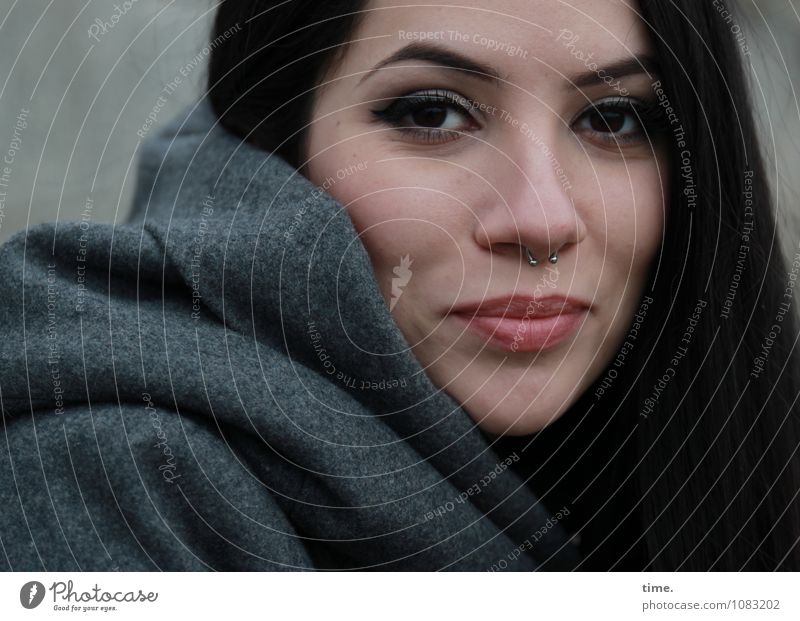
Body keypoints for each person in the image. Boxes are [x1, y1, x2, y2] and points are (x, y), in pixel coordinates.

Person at [0, 0, 797, 571]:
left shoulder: (733, 456)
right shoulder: (121, 482)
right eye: (432, 113)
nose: (543, 220)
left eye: (615, 119)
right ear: (281, 143)